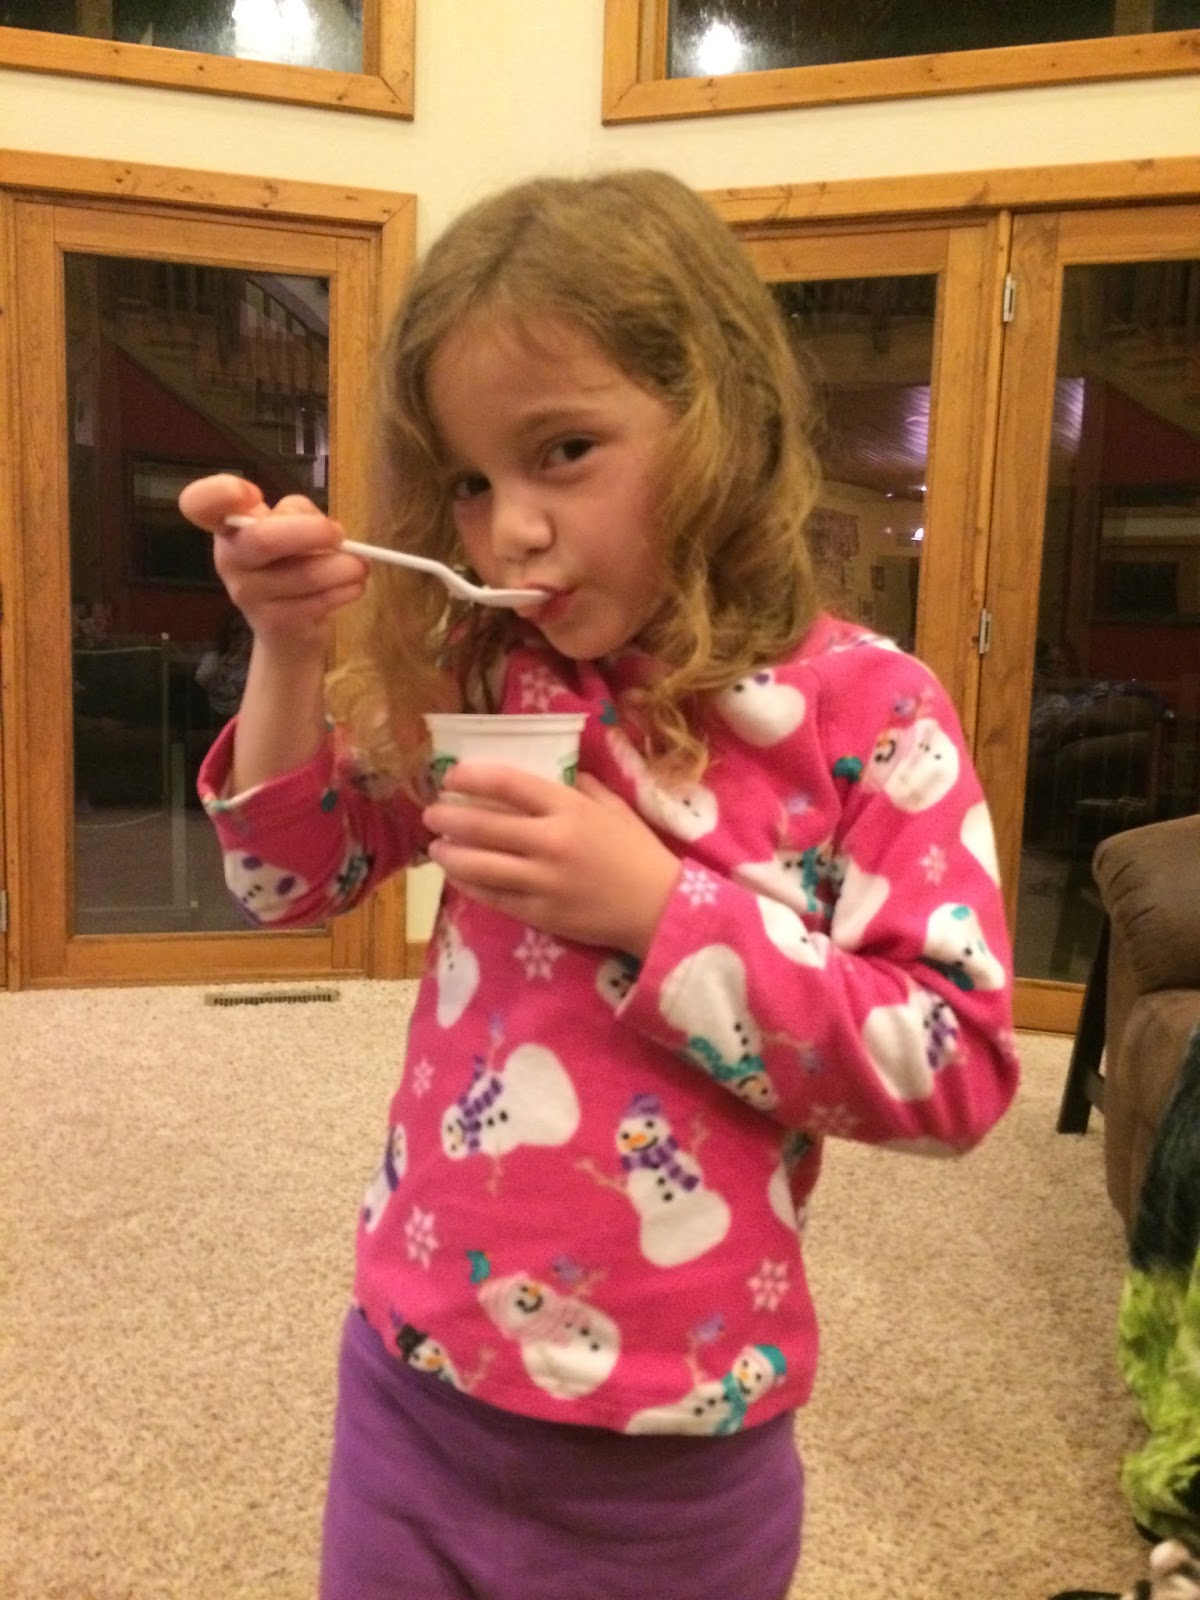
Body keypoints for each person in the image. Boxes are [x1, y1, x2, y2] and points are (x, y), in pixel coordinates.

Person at [179, 169, 1019, 1600]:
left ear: (722, 422)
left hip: (679, 1456)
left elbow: (958, 1069)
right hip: (412, 1390)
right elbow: (285, 879)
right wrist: (290, 648)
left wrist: (658, 910)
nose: (508, 530)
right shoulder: (485, 675)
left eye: (563, 451)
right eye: (469, 480)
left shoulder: (870, 714)